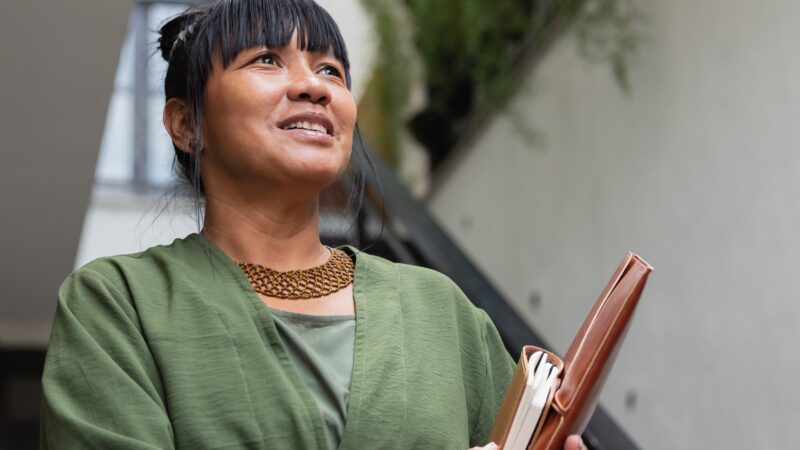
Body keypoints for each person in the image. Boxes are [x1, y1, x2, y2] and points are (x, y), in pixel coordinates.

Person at [40, 1, 586, 449]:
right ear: (187, 123)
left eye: (331, 71)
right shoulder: (117, 306)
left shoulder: (441, 311)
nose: (315, 87)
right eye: (266, 61)